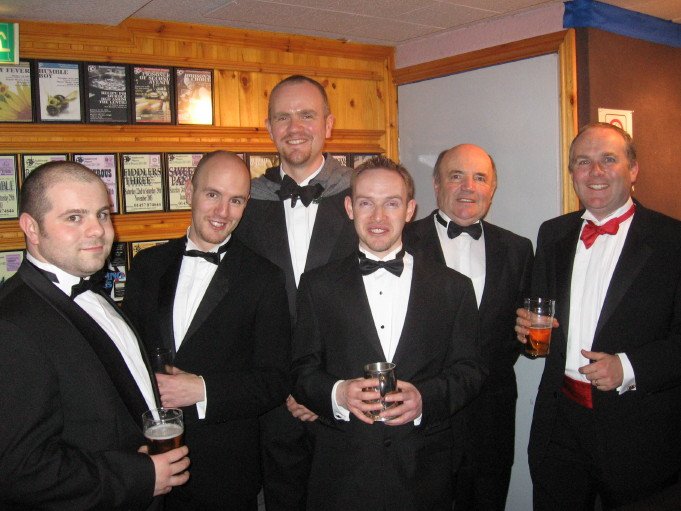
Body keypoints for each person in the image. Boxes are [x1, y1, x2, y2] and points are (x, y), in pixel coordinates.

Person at [291, 156, 487, 510]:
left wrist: (425, 399)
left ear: (410, 210)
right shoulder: (317, 286)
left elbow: (470, 371)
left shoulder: (454, 287)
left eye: (392, 203)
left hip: (423, 473)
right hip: (341, 474)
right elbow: (301, 371)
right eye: (366, 203)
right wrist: (338, 394)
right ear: (349, 208)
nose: (378, 217)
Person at [0, 161, 189, 509]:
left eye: (102, 214)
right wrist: (140, 476)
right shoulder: (11, 324)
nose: (97, 230)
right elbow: (20, 470)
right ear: (31, 227)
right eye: (74, 217)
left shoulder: (92, 290)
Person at [516, 123, 681, 509]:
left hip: (639, 431)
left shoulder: (672, 240)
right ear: (572, 172)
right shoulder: (552, 233)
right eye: (583, 162)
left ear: (633, 169)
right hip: (560, 423)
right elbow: (539, 328)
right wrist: (525, 333)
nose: (595, 172)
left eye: (609, 159)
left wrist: (628, 367)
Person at [123, 151, 291, 510]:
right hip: (147, 464)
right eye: (212, 194)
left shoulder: (264, 278)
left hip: (224, 472)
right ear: (190, 191)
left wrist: (200, 389)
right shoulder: (147, 265)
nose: (222, 212)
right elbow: (126, 359)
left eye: (236, 200)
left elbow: (276, 381)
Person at [235, 75, 357, 509]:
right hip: (274, 400)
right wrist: (287, 388)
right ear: (269, 127)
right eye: (283, 117)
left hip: (345, 392)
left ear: (328, 124)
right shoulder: (246, 202)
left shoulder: (364, 197)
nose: (295, 127)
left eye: (307, 115)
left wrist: (322, 391)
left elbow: (378, 303)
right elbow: (243, 307)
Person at [404, 143, 533, 511]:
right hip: (421, 411)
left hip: (490, 416)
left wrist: (532, 338)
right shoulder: (402, 241)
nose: (468, 187)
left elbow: (522, 333)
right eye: (456, 176)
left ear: (492, 188)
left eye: (480, 178)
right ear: (436, 184)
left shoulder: (518, 248)